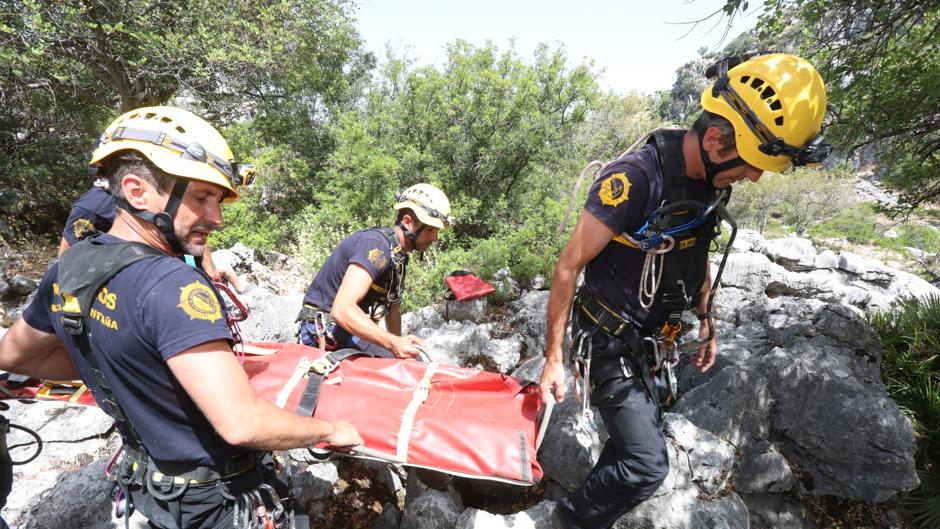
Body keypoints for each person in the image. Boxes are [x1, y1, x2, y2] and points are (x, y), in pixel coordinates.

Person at [0, 106, 362, 528]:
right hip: (216, 502)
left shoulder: (69, 268)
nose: (217, 218)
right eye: (201, 197)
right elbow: (242, 423)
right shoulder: (175, 285)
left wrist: (125, 367)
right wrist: (329, 430)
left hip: (151, 492)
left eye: (218, 200)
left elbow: (16, 355)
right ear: (137, 191)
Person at [538, 53, 829, 529]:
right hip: (609, 340)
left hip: (654, 342)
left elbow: (697, 252)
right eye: (752, 164)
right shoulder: (634, 178)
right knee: (647, 464)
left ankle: (592, 511)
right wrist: (554, 357)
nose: (754, 176)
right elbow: (568, 266)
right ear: (715, 139)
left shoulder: (710, 184)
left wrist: (708, 321)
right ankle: (566, 523)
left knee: (632, 443)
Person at [297, 183, 454, 358]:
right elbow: (342, 309)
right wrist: (393, 344)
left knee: (410, 363)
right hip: (325, 331)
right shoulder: (376, 247)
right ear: (408, 222)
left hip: (346, 330)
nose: (435, 237)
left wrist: (400, 351)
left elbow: (393, 311)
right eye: (431, 229)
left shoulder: (397, 258)